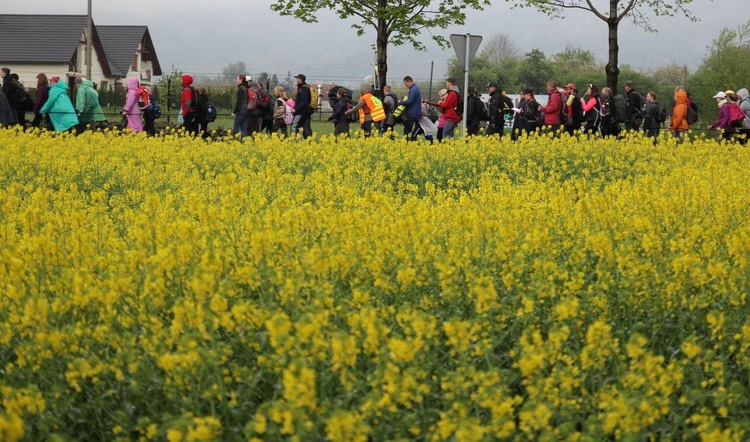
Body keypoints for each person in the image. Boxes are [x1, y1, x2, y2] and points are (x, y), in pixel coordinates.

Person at [292, 73, 313, 139]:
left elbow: (304, 101)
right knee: (306, 126)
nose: (296, 80)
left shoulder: (303, 88)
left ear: (300, 80)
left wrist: (296, 108)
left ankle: (296, 140)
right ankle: (308, 141)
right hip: (306, 111)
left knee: (295, 126)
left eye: (297, 79)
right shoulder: (305, 87)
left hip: (302, 111)